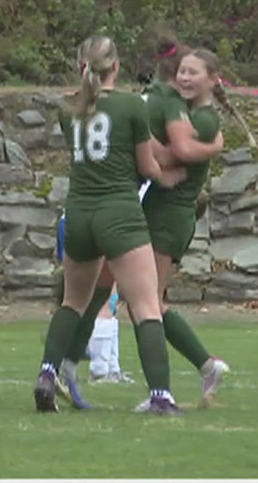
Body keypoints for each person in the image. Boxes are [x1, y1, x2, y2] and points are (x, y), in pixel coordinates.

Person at [50, 36, 231, 410]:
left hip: (167, 213)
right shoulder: (160, 101)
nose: (185, 77)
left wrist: (210, 148)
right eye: (182, 70)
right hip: (139, 209)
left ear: (214, 79)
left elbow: (175, 151)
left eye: (193, 72)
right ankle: (67, 364)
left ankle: (200, 366)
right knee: (101, 290)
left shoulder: (191, 111)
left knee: (147, 304)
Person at [33, 35, 187, 415]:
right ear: (115, 66)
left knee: (72, 302)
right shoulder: (133, 105)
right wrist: (170, 178)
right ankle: (161, 396)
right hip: (119, 211)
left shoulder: (69, 109)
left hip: (80, 213)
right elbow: (147, 166)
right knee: (147, 305)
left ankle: (47, 374)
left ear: (80, 67)